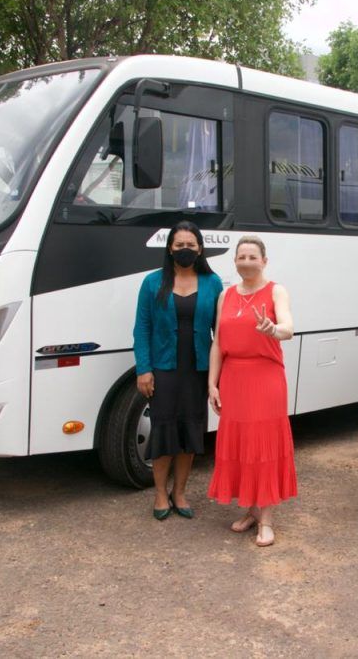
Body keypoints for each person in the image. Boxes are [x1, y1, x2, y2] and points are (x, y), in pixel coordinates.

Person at [207, 235, 297, 546]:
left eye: (252, 257)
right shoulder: (226, 295)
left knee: (263, 446)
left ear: (264, 261)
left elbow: (288, 327)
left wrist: (273, 329)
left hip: (265, 378)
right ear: (235, 261)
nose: (246, 261)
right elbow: (218, 343)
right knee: (243, 444)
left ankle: (267, 520)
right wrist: (212, 384)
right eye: (241, 256)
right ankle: (250, 509)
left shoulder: (276, 291)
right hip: (233, 378)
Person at [134, 221, 223, 520]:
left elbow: (220, 332)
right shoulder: (152, 282)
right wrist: (144, 369)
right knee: (164, 432)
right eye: (179, 245)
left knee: (189, 433)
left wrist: (220, 374)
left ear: (200, 249)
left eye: (191, 245)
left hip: (197, 370)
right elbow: (141, 328)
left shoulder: (213, 283)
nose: (185, 249)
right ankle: (160, 494)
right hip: (164, 370)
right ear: (170, 248)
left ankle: (180, 492)